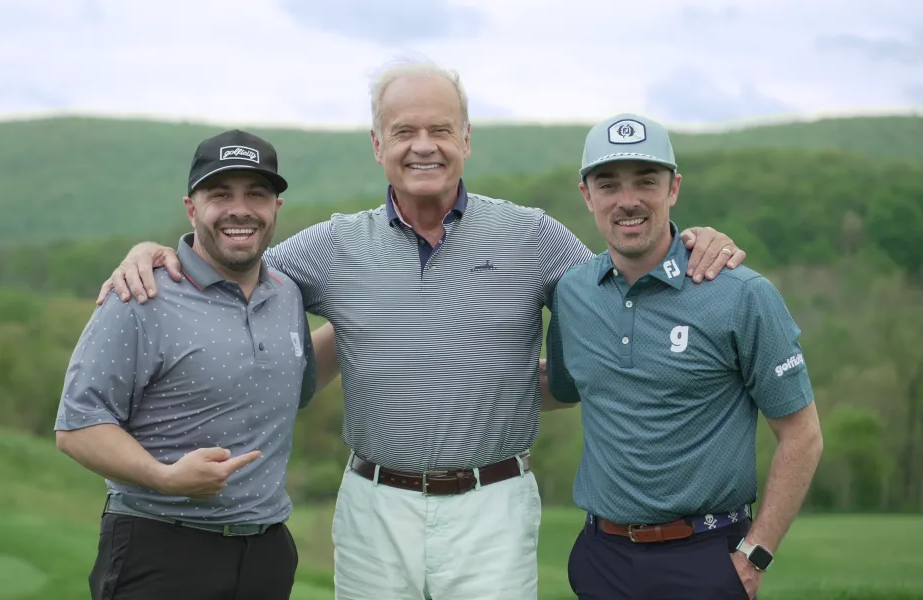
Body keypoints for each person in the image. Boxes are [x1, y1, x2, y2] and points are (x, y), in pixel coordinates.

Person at [96, 59, 748, 600]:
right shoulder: (334, 246)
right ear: (378, 145)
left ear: (466, 139)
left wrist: (691, 241)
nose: (423, 145)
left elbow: (626, 289)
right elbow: (232, 269)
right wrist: (157, 253)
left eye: (440, 128)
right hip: (376, 503)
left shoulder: (531, 236)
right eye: (403, 130)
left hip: (493, 503)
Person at [545, 113, 823, 600]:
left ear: (673, 188)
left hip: (708, 556)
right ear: (587, 196)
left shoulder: (741, 294)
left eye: (646, 182)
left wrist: (755, 554)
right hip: (601, 558)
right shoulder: (572, 293)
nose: (627, 200)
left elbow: (802, 437)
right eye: (608, 184)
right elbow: (562, 389)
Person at [55, 129, 322, 600]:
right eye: (221, 194)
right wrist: (165, 477)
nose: (240, 209)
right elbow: (78, 425)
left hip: (267, 554)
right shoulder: (140, 296)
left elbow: (297, 383)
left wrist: (368, 320)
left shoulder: (286, 295)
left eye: (256, 194)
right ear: (191, 208)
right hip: (160, 547)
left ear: (275, 209)